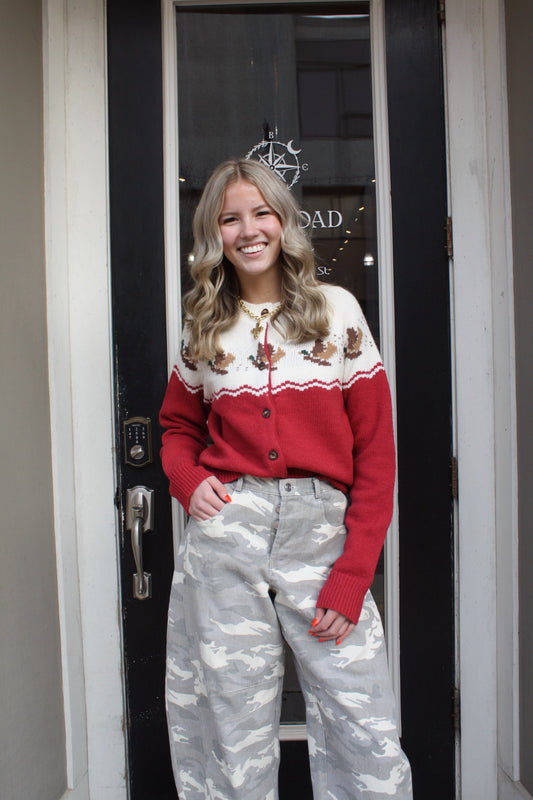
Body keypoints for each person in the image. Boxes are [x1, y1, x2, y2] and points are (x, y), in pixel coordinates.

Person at [159, 158, 413, 800]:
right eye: (229, 218)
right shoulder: (204, 325)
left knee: (366, 724)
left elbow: (377, 455)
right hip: (227, 533)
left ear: (284, 222)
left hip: (320, 535)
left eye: (261, 213)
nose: (248, 230)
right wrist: (189, 481)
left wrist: (356, 570)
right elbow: (175, 427)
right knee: (230, 721)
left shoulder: (337, 311)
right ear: (212, 234)